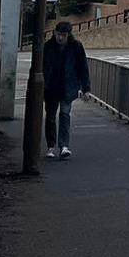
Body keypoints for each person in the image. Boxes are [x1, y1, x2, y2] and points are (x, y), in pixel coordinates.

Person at [41, 20, 92, 159]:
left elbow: (83, 68)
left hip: (67, 87)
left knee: (64, 114)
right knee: (50, 117)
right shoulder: (48, 46)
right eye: (58, 34)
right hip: (51, 87)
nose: (60, 38)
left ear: (69, 35)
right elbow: (42, 67)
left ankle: (64, 146)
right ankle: (51, 146)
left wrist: (86, 88)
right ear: (54, 33)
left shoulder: (76, 47)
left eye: (63, 35)